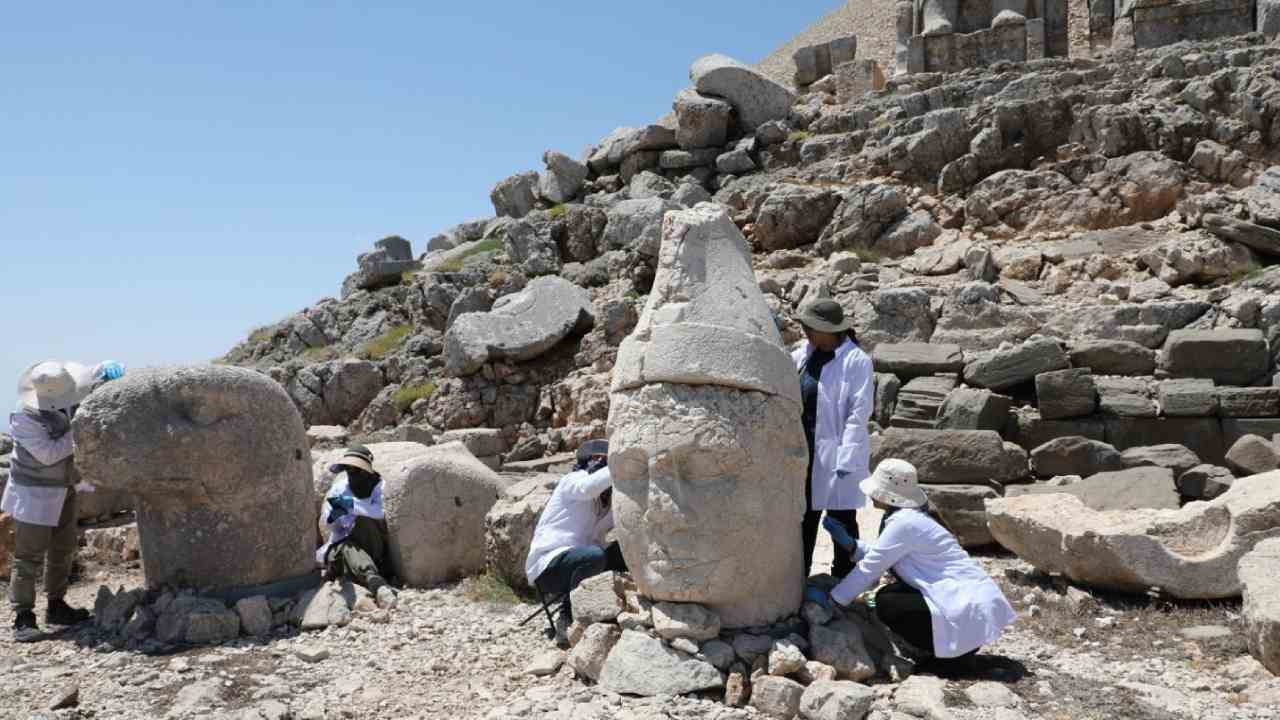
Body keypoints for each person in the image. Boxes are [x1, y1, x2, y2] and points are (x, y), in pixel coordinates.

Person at [809, 459, 1016, 665]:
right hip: (968, 603)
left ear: (887, 494)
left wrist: (833, 599)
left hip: (965, 606)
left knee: (888, 604)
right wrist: (852, 545)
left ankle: (948, 659)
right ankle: (953, 650)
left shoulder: (904, 523)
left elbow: (871, 567)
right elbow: (886, 554)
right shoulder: (907, 519)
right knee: (892, 592)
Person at [6, 359, 125, 642]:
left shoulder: (68, 395)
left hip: (64, 487)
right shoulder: (24, 417)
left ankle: (56, 605)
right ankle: (23, 616)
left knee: (63, 549)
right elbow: (48, 454)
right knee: (28, 556)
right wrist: (79, 430)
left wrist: (108, 372)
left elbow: (96, 377)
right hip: (34, 492)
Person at [791, 298, 874, 579]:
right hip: (805, 453)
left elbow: (858, 414)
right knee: (803, 521)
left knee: (841, 522)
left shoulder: (856, 361)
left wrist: (846, 459)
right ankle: (799, 580)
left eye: (809, 328)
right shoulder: (804, 354)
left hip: (838, 454)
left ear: (828, 330)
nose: (805, 332)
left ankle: (844, 583)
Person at [525, 439, 627, 647]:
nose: (602, 464)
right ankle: (567, 618)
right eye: (599, 460)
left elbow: (616, 519)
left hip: (583, 561)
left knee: (622, 551)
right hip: (549, 566)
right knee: (593, 556)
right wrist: (620, 465)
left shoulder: (602, 503)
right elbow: (587, 488)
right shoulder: (573, 480)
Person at [317, 445, 397, 610]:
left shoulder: (380, 487)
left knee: (363, 521)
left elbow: (381, 513)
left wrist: (351, 505)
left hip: (373, 546)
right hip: (341, 547)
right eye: (348, 469)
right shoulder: (340, 488)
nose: (352, 474)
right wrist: (337, 514)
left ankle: (371, 577)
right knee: (346, 547)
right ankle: (375, 582)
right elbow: (330, 523)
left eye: (356, 470)